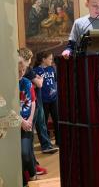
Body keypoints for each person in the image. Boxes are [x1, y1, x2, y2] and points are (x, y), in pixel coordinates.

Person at [19, 48, 58, 155]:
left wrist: (38, 81)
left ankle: (42, 148)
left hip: (31, 100)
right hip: (32, 100)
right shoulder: (28, 69)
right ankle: (45, 146)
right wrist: (39, 80)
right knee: (40, 124)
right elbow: (39, 83)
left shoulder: (29, 69)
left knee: (37, 125)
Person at [34, 52, 60, 146]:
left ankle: (59, 141)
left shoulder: (51, 68)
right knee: (43, 122)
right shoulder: (35, 70)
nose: (51, 60)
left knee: (57, 120)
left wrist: (55, 91)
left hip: (54, 99)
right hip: (43, 101)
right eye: (50, 59)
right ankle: (46, 143)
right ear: (43, 59)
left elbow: (55, 82)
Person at [18, 57, 37, 186]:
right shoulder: (8, 85)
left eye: (23, 70)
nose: (21, 73)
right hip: (16, 124)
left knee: (26, 152)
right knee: (20, 155)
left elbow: (33, 102)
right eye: (18, 70)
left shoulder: (27, 83)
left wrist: (29, 120)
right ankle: (24, 180)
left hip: (27, 123)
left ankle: (31, 172)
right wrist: (21, 122)